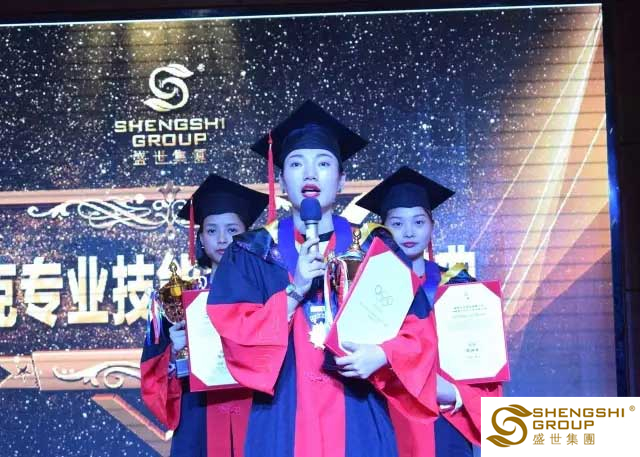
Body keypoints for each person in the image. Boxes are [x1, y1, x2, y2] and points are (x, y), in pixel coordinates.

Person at [207, 101, 440, 457]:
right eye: (296, 164)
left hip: (359, 414)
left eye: (324, 163)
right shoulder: (252, 252)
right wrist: (295, 290)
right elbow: (234, 333)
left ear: (342, 180)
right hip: (281, 417)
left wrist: (383, 354)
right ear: (281, 181)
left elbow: (419, 331)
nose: (310, 174)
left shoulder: (376, 249)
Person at [357, 166, 504, 457]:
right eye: (397, 223)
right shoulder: (366, 289)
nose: (409, 232)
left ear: (432, 226)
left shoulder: (460, 289)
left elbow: (484, 369)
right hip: (387, 414)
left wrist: (454, 393)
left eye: (418, 221)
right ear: (383, 229)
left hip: (445, 420)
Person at [140, 173, 269, 457]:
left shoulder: (269, 294)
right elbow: (153, 377)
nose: (222, 239)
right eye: (211, 230)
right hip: (199, 416)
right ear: (200, 238)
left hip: (258, 412)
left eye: (232, 229)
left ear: (246, 235)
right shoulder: (179, 301)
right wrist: (174, 354)